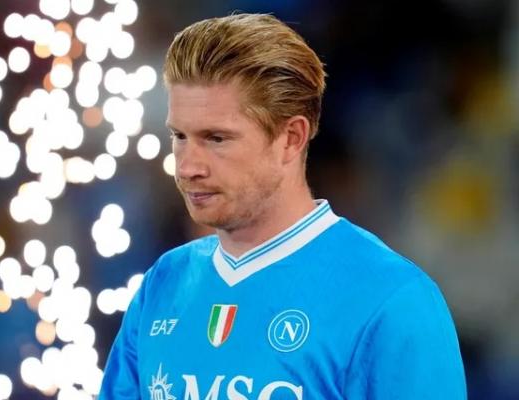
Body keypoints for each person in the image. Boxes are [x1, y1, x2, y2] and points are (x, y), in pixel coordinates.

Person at [100, 13, 466, 400]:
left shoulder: (392, 298)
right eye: (179, 136)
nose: (188, 167)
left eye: (216, 138)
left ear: (291, 138)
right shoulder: (163, 283)